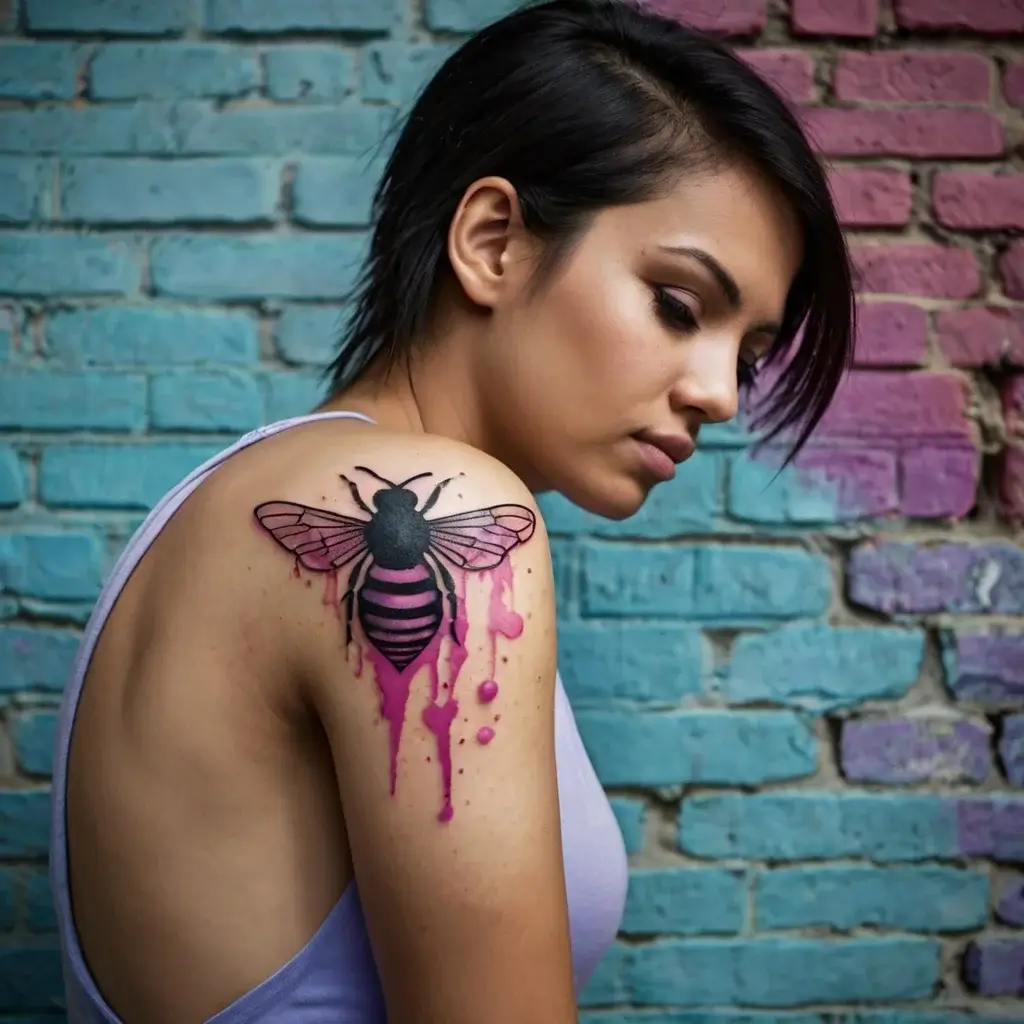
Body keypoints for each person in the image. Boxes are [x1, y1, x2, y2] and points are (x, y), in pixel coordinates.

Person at [50, 1, 854, 1021]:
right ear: (492, 241)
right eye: (678, 305)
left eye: (746, 355)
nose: (719, 394)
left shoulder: (216, 508)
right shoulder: (461, 519)